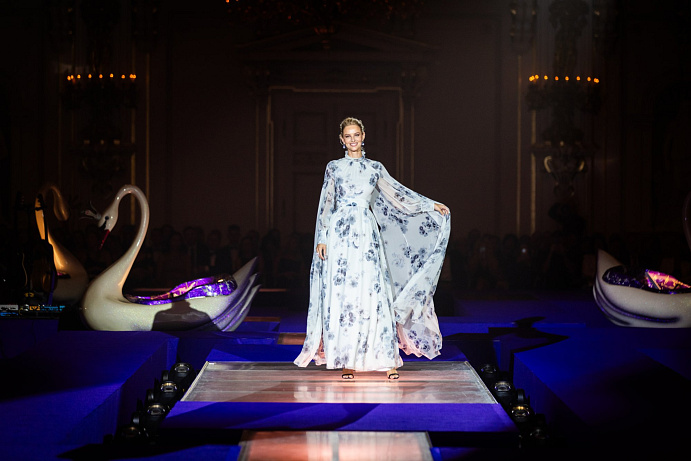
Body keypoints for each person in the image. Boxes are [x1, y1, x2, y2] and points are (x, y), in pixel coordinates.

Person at [294, 117, 450, 380]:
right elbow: (326, 204)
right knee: (344, 295)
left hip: (366, 234)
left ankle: (387, 359)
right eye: (348, 136)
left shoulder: (375, 168)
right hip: (339, 235)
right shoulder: (334, 167)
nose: (352, 140)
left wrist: (429, 205)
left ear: (363, 136)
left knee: (373, 293)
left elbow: (399, 195)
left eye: (356, 135)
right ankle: (347, 361)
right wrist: (322, 237)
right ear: (341, 139)